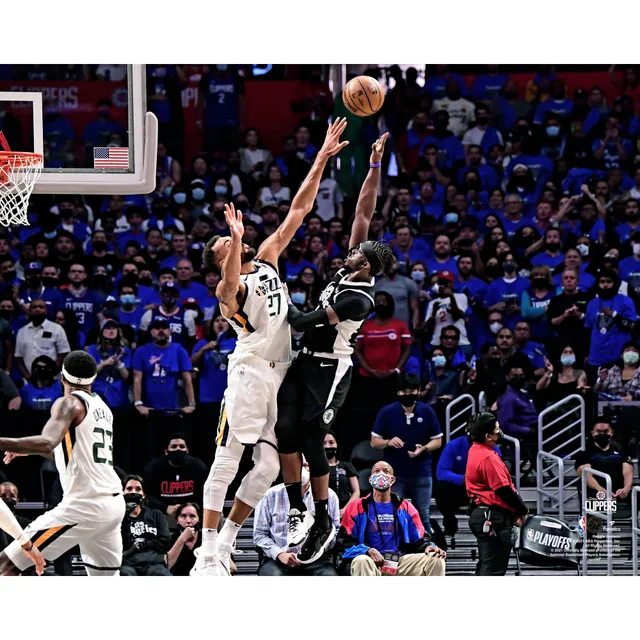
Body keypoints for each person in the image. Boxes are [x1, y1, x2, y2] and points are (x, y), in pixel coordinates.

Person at [192, 119, 351, 577]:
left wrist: (321, 156)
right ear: (224, 258)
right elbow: (226, 288)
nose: (235, 239)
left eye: (234, 237)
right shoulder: (230, 290)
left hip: (282, 373)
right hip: (249, 372)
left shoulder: (264, 259)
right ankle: (206, 553)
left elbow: (297, 212)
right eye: (228, 242)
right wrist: (235, 241)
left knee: (266, 468)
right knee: (228, 459)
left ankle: (225, 544)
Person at [275, 133, 396, 565]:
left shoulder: (357, 298)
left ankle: (324, 516)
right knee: (283, 430)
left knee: (310, 438)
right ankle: (294, 507)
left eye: (355, 252)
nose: (349, 249)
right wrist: (374, 164)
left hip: (330, 372)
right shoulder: (354, 265)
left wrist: (273, 294)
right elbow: (364, 210)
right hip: (305, 362)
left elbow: (302, 321)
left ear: (365, 264)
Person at [0, 351, 125, 576]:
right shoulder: (103, 407)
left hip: (85, 505)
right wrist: (25, 451)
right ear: (93, 379)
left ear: (63, 377)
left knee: (6, 564)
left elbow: (48, 443)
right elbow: (76, 454)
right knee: (105, 586)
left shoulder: (68, 403)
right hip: (113, 505)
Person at [338, 460, 446, 576]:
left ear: (392, 479)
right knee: (361, 560)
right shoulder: (356, 506)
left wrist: (431, 547)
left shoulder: (406, 507)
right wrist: (367, 550)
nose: (381, 474)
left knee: (435, 558)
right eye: (376, 471)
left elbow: (420, 538)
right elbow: (344, 543)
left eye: (386, 471)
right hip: (370, 562)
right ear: (370, 480)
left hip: (398, 561)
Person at [371, 374, 442, 534]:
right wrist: (388, 442)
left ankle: (427, 552)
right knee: (394, 515)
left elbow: (437, 441)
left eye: (412, 391)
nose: (408, 394)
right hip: (395, 475)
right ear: (398, 392)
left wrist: (424, 448)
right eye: (404, 391)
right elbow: (374, 442)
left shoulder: (427, 411)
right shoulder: (387, 412)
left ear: (418, 391)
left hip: (422, 473)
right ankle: (395, 550)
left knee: (423, 516)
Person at [465, 412, 528, 576]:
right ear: (488, 436)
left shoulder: (476, 450)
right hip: (493, 517)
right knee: (493, 568)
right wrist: (523, 510)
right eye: (497, 429)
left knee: (487, 564)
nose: (500, 432)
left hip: (485, 514)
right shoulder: (487, 457)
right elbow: (503, 490)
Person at [253, 461, 339, 576]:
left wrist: (315, 550)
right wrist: (279, 554)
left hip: (316, 560)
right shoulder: (270, 495)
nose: (301, 469)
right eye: (298, 465)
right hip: (279, 560)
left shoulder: (329, 496)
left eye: (305, 465)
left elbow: (335, 531)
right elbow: (260, 534)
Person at [585, 269, 638, 378]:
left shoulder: (626, 301)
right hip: (596, 357)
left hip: (619, 358)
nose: (605, 285)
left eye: (609, 282)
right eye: (602, 282)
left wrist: (614, 315)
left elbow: (632, 327)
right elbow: (588, 329)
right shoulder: (592, 304)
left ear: (615, 283)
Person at [575, 419, 634, 513]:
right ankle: (585, 527)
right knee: (590, 502)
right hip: (596, 493)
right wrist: (603, 491)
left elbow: (628, 472)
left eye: (606, 431)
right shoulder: (584, 454)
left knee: (637, 495)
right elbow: (586, 475)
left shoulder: (622, 453)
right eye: (599, 431)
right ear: (593, 433)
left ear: (611, 432)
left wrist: (626, 489)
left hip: (619, 493)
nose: (602, 434)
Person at [143, 434, 208, 516]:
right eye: (174, 446)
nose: (178, 449)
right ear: (166, 452)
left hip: (193, 512)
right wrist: (165, 508)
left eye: (182, 446)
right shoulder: (153, 468)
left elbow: (206, 494)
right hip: (163, 513)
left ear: (187, 451)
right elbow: (148, 496)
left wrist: (191, 507)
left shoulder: (199, 467)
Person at [120, 475, 172, 576]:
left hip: (154, 564)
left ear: (143, 494)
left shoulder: (156, 515)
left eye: (138, 489)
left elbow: (166, 541)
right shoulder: (119, 518)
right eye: (129, 489)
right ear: (123, 493)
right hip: (128, 565)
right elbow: (120, 546)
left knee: (159, 573)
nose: (134, 492)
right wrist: (125, 517)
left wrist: (144, 544)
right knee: (125, 574)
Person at [14, 299, 70, 380]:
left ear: (46, 310)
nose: (37, 309)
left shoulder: (57, 329)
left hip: (52, 380)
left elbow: (63, 354)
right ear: (29, 310)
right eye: (34, 307)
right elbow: (19, 358)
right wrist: (28, 377)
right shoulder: (22, 332)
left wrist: (51, 373)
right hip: (29, 380)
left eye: (41, 307)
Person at [324, 431, 360, 516]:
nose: (327, 446)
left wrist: (346, 509)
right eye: (324, 443)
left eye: (331, 442)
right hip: (325, 512)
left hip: (346, 511)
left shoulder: (346, 466)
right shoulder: (316, 467)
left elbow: (356, 492)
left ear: (337, 445)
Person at [168, 502, 202, 576]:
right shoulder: (169, 539)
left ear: (199, 519)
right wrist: (182, 539)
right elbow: (167, 566)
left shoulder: (207, 539)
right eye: (183, 516)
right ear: (177, 520)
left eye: (192, 516)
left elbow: (231, 567)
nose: (188, 521)